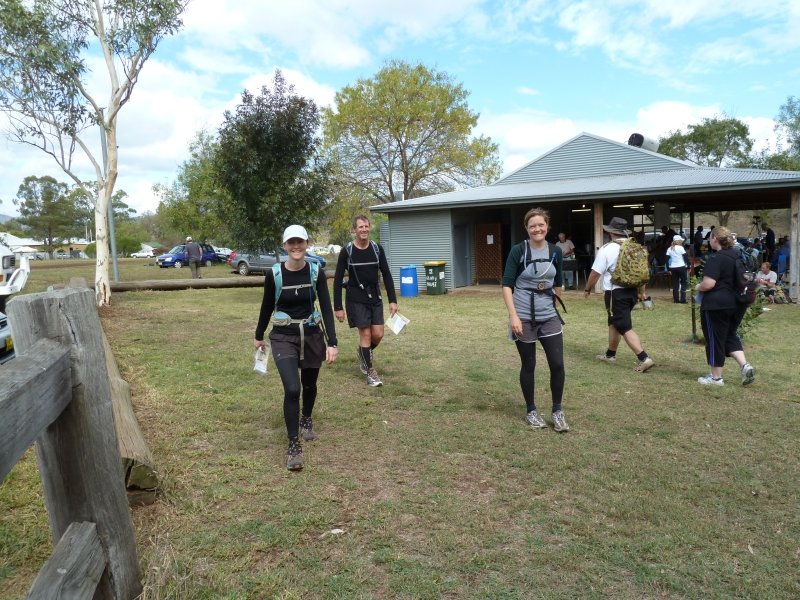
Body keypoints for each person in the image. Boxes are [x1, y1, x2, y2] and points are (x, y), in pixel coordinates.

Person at [254, 225, 339, 471]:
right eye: (291, 242)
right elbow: (266, 305)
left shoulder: (316, 272)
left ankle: (307, 418)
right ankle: (293, 445)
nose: (296, 246)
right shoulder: (274, 274)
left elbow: (325, 305)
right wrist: (259, 335)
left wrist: (332, 342)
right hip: (283, 336)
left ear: (307, 243)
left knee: (310, 384)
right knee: (293, 388)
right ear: (284, 246)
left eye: (300, 242)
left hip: (312, 334)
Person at [502, 207, 568, 432]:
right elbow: (507, 285)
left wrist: (556, 301)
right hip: (524, 316)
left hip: (548, 316)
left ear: (547, 226)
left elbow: (558, 281)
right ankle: (531, 410)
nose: (537, 229)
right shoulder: (518, 251)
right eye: (533, 226)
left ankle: (557, 411)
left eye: (541, 225)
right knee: (529, 364)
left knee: (557, 364)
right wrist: (514, 316)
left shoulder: (555, 251)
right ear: (527, 229)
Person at [333, 215, 397, 387]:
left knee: (378, 334)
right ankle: (370, 373)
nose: (364, 230)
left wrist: (393, 300)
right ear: (354, 229)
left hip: (375, 297)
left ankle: (363, 353)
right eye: (360, 227)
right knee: (366, 334)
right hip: (356, 298)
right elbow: (338, 279)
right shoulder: (347, 251)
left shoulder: (377, 249)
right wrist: (338, 307)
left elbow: (387, 274)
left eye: (366, 226)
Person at [584, 217, 655, 372]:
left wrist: (588, 288)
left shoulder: (607, 249)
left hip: (615, 293)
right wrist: (641, 292)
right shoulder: (635, 246)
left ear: (610, 232)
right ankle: (610, 354)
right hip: (631, 291)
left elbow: (595, 273)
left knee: (623, 326)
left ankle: (644, 358)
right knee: (614, 322)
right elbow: (642, 273)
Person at [693, 226, 755, 386]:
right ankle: (745, 366)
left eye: (710, 237)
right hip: (738, 303)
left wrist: (698, 287)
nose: (708, 240)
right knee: (729, 335)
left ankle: (716, 378)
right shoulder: (739, 255)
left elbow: (709, 284)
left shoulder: (716, 258)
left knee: (714, 339)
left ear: (714, 239)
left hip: (717, 305)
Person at [666, 235, 688, 303]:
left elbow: (667, 260)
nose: (681, 241)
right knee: (683, 282)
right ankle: (683, 299)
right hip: (681, 266)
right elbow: (685, 258)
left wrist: (668, 269)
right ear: (678, 241)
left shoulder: (669, 248)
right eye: (681, 240)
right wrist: (689, 266)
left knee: (675, 284)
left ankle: (676, 300)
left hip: (673, 268)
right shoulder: (681, 248)